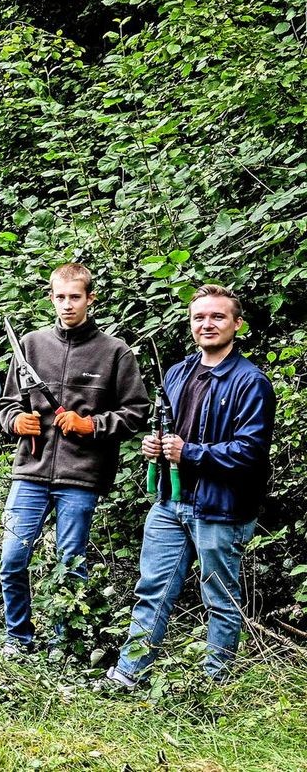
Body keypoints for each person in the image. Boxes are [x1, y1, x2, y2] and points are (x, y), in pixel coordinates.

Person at [107, 285, 275, 687]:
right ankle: (129, 675)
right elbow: (170, 431)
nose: (207, 324)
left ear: (237, 324)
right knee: (152, 590)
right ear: (191, 324)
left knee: (220, 599)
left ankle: (214, 688)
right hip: (170, 500)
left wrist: (189, 453)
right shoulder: (179, 372)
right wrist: (157, 446)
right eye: (200, 317)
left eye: (218, 316)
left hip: (221, 508)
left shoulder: (251, 382)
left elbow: (249, 453)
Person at [0, 263, 148, 652]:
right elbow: (7, 403)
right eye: (60, 297)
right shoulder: (30, 345)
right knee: (12, 559)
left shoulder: (114, 352)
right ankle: (18, 638)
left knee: (70, 563)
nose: (67, 304)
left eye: (75, 297)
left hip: (81, 475)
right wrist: (16, 422)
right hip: (30, 472)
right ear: (51, 297)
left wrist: (90, 425)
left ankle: (63, 645)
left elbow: (136, 411)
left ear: (90, 299)